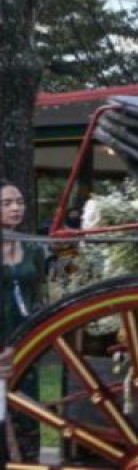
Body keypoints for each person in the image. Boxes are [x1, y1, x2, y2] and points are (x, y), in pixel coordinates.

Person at [1, 180, 43, 461]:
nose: (16, 208)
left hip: (25, 334)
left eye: (19, 202)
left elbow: (43, 287)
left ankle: (27, 458)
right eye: (6, 203)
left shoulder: (33, 247)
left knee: (28, 403)